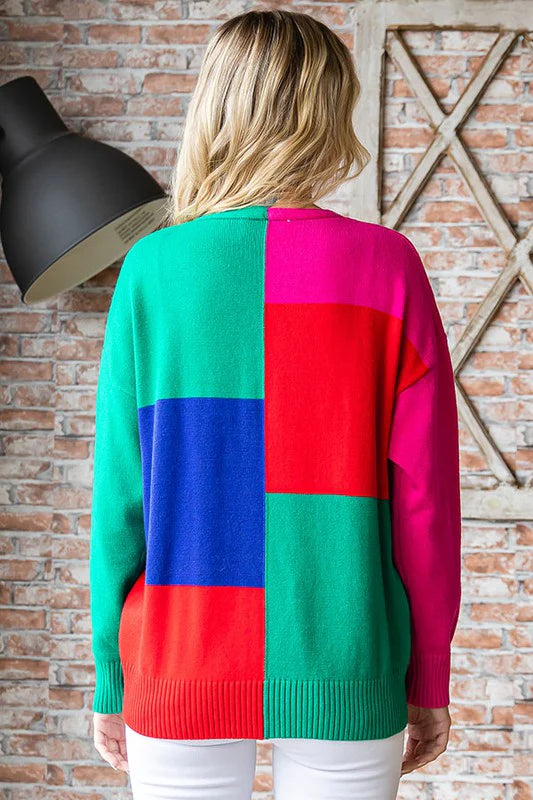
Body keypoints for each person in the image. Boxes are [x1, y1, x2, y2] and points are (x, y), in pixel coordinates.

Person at [89, 8, 462, 800]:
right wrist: (428, 673)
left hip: (180, 655)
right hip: (343, 652)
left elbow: (121, 497)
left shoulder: (152, 270)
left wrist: (111, 679)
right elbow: (425, 501)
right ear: (329, 111)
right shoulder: (388, 267)